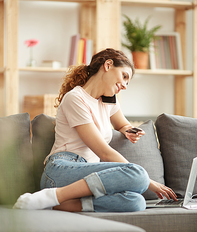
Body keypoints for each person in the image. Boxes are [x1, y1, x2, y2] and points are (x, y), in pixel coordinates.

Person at [13, 48, 177, 212]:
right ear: (108, 65)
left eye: (128, 82)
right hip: (62, 170)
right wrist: (150, 182)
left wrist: (128, 130)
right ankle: (53, 195)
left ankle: (56, 204)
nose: (125, 86)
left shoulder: (109, 101)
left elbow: (122, 124)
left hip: (89, 178)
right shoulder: (75, 98)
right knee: (139, 175)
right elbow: (104, 153)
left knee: (136, 202)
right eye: (124, 76)